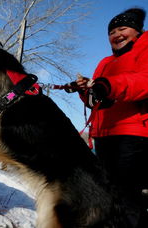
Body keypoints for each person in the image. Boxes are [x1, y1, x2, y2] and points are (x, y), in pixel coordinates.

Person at [69, 8, 148, 228]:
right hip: (104, 134)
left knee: (126, 195)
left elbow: (144, 81)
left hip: (134, 134)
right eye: (111, 31)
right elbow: (97, 100)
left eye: (122, 29)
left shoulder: (145, 49)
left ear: (137, 31)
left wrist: (109, 85)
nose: (116, 35)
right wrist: (85, 90)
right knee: (105, 191)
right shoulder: (105, 62)